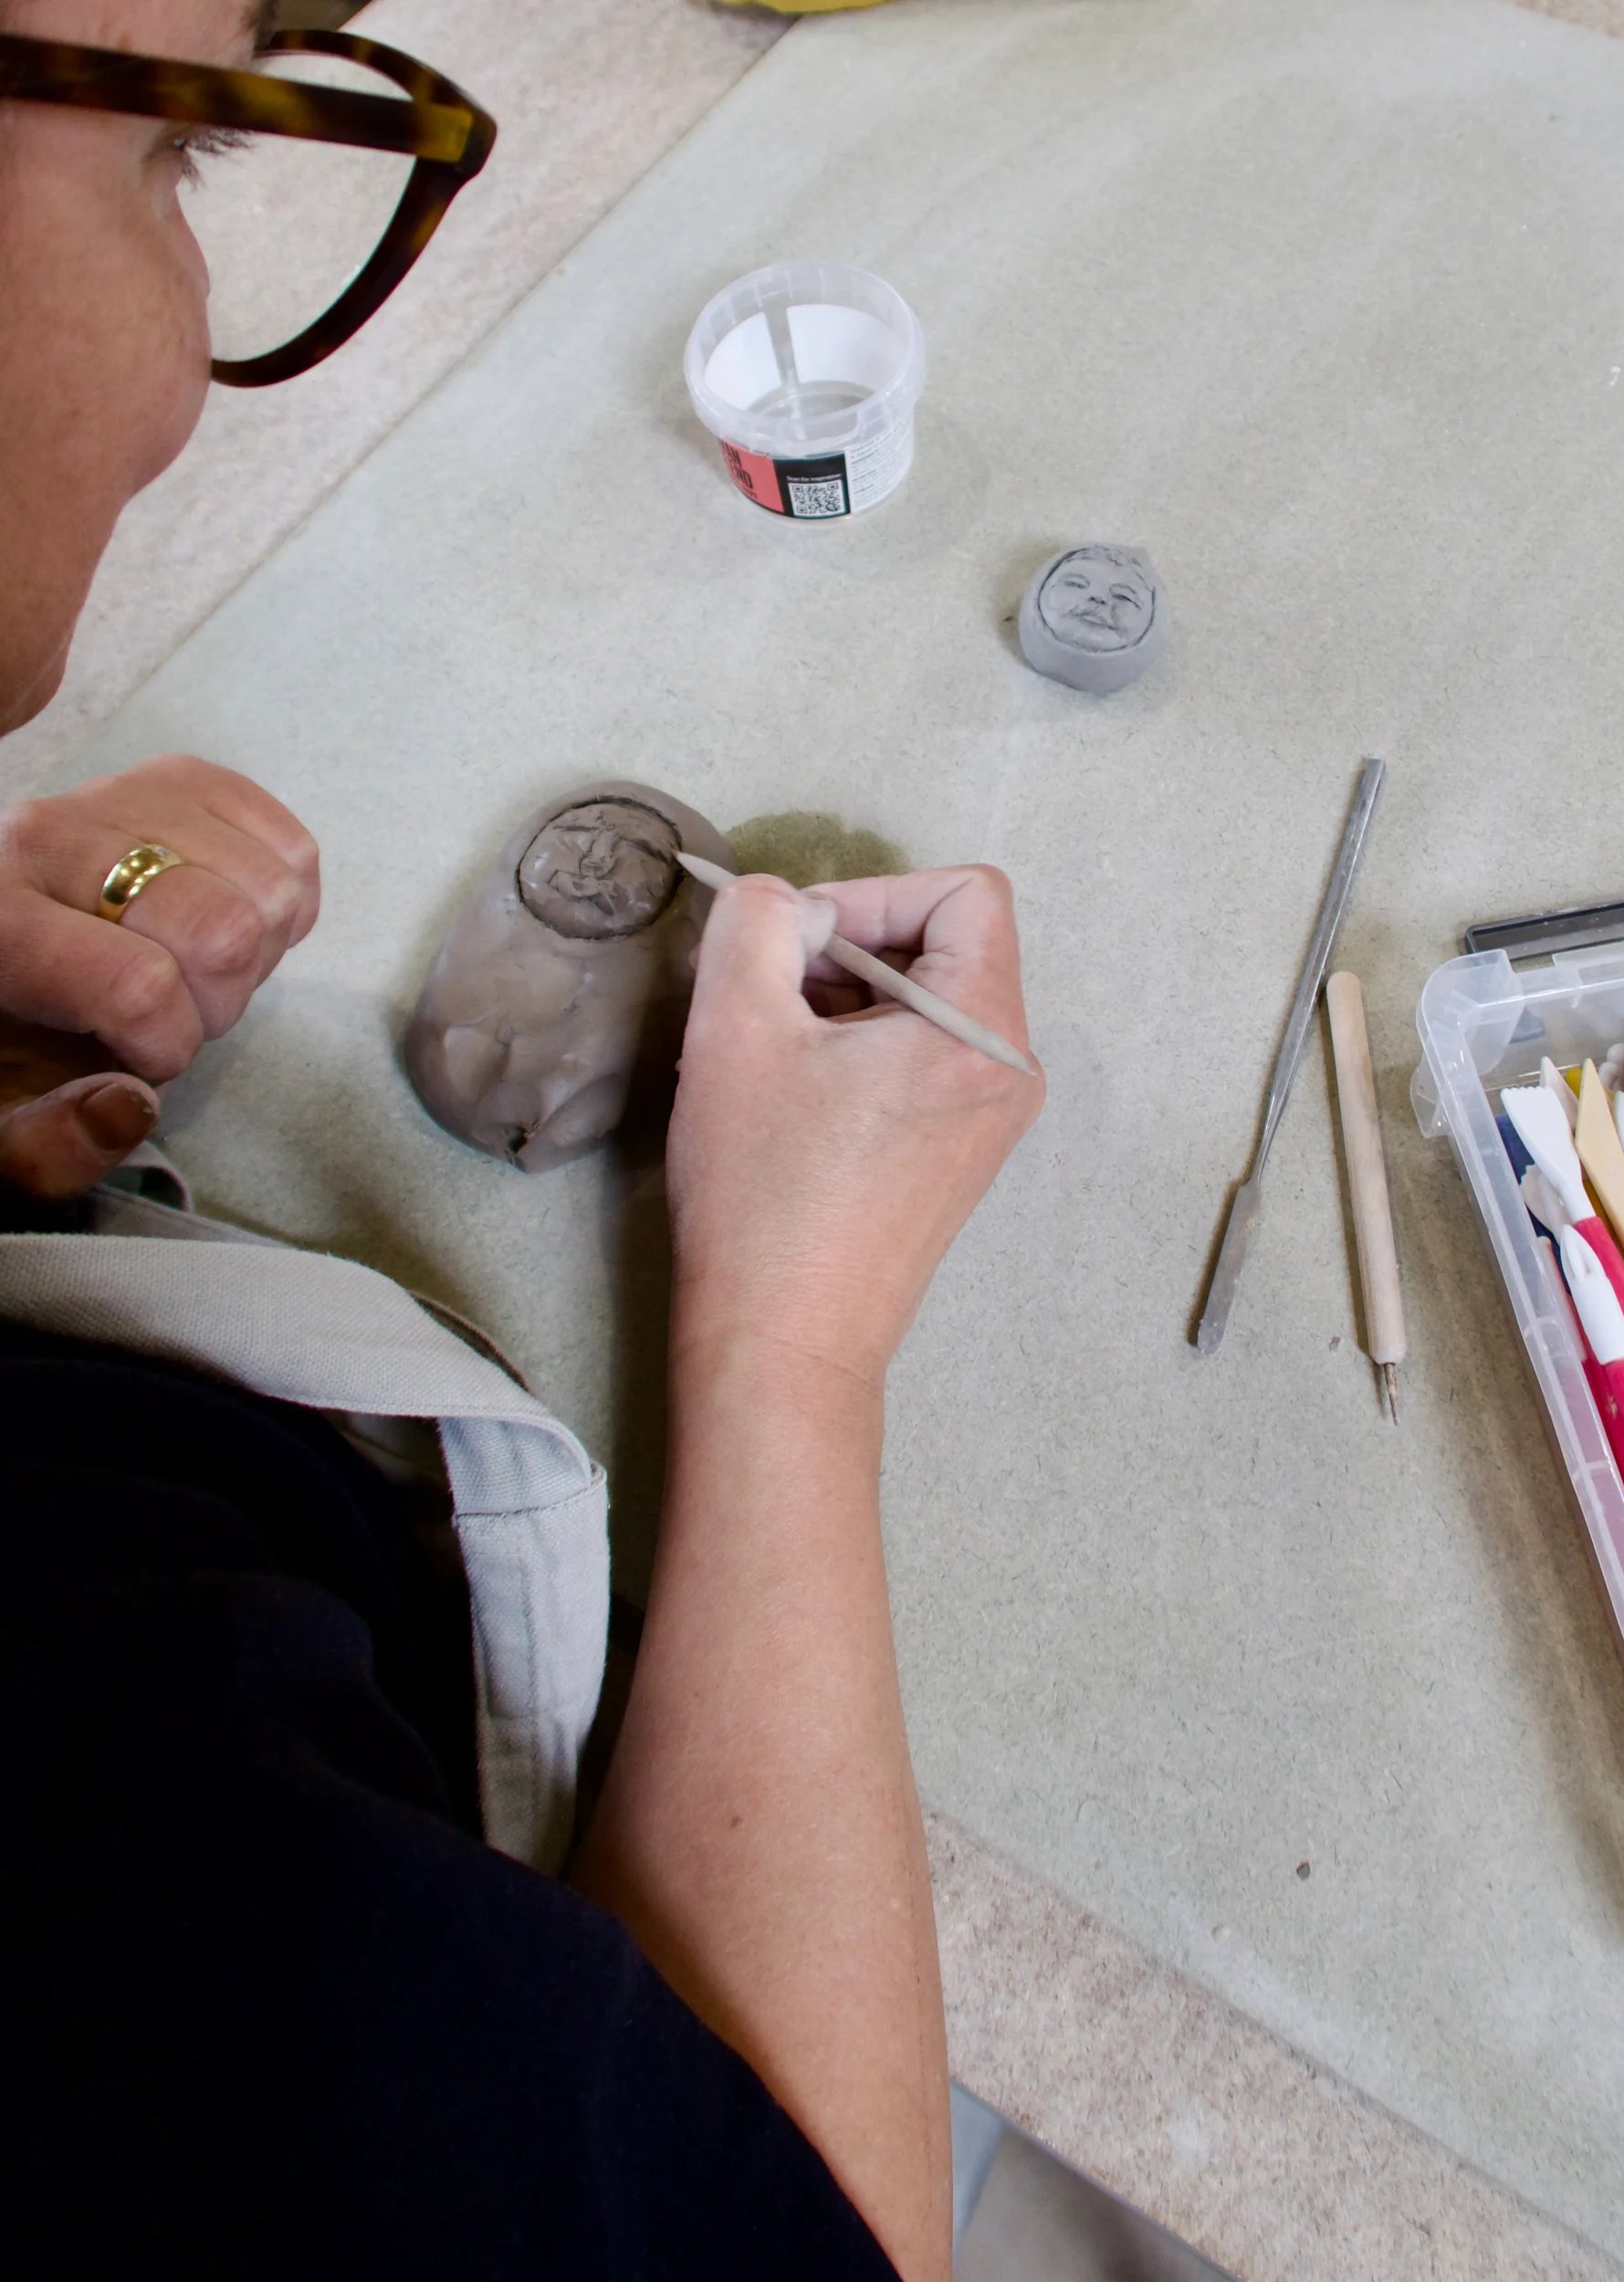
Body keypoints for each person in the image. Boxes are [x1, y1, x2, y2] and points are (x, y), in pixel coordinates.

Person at [0, 5, 1043, 2277]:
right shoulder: (98, 1757)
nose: (186, 375)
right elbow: (797, 2239)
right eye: (179, 162)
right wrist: (787, 1341)